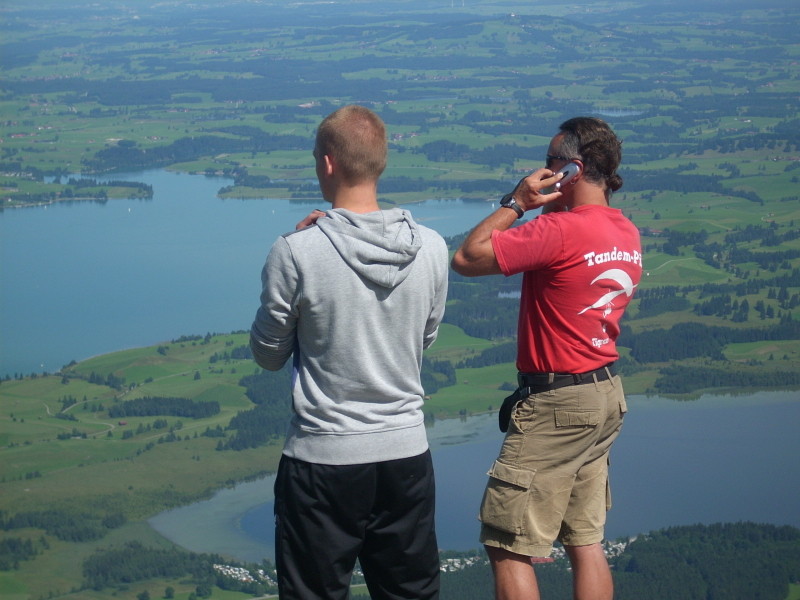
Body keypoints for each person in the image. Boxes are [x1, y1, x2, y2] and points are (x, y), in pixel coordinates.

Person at [250, 105, 448, 600]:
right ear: (379, 163)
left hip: (322, 460)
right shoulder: (432, 247)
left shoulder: (295, 251)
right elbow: (422, 339)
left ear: (329, 163)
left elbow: (268, 355)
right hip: (406, 456)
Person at [451, 117, 642, 600]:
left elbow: (468, 258)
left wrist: (517, 202)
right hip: (604, 396)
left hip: (556, 406)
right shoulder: (625, 231)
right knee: (585, 538)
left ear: (573, 170)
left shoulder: (559, 231)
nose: (543, 170)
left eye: (551, 162)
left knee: (508, 543)